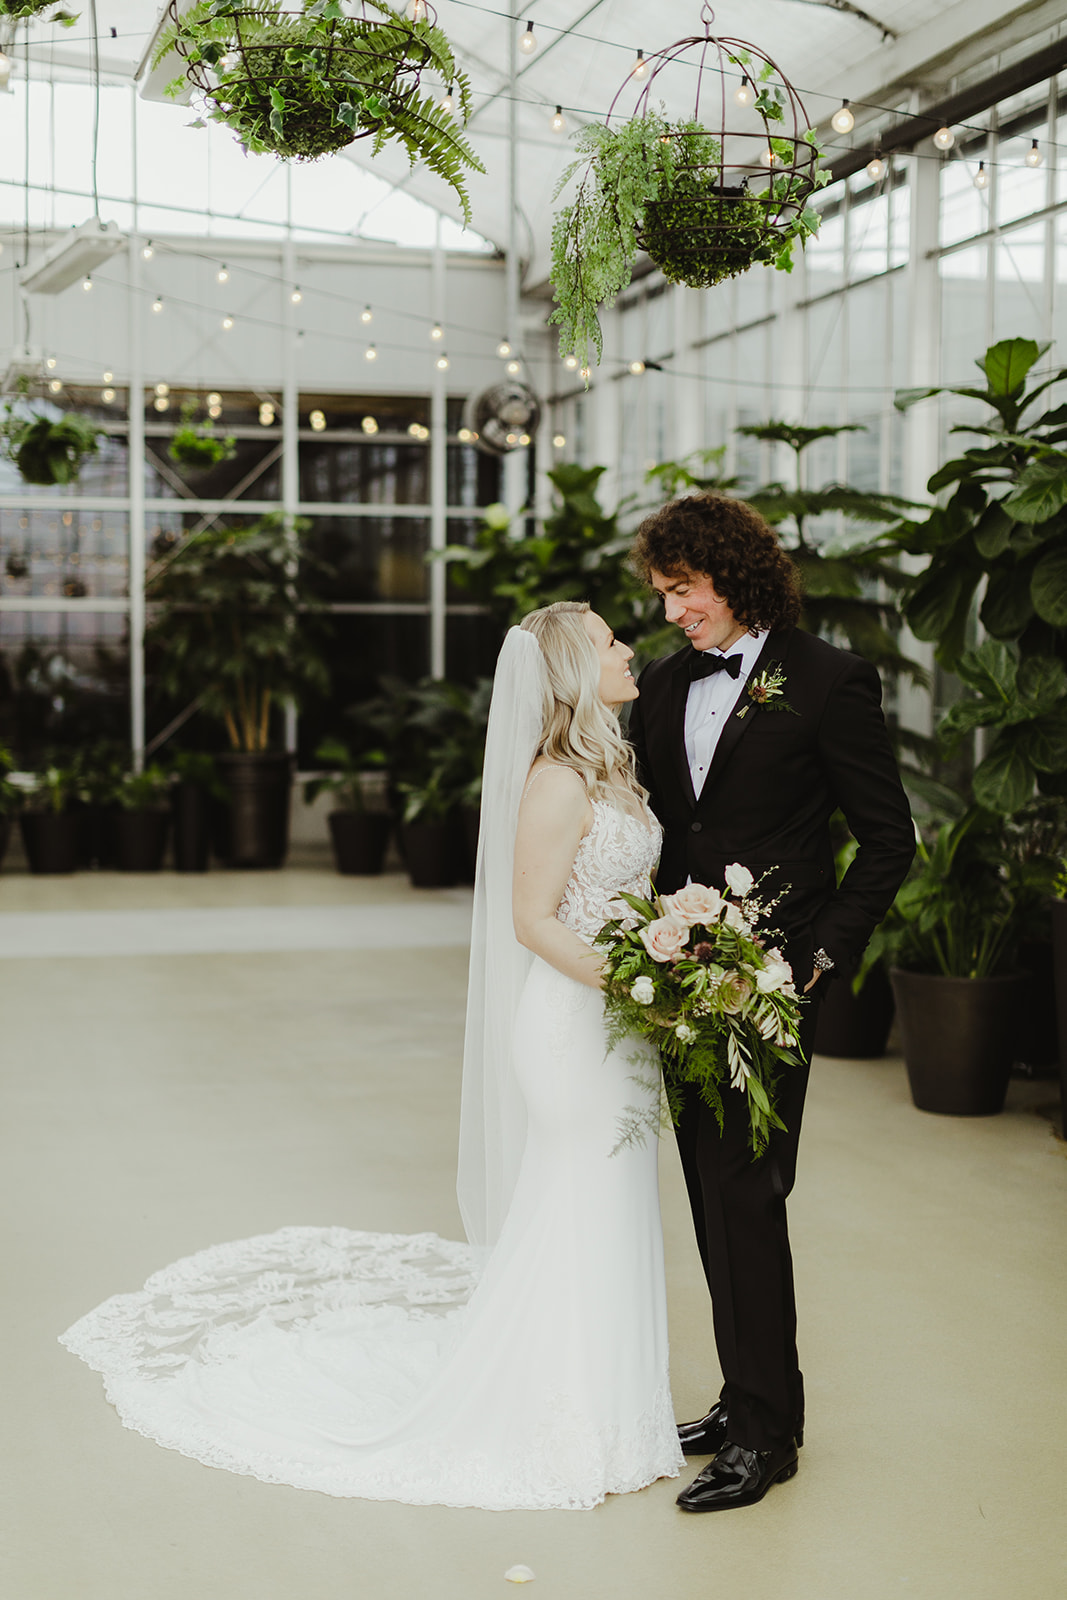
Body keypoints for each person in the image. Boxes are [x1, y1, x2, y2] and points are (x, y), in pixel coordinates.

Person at [60, 602, 683, 1512]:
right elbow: (531, 920)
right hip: (573, 1023)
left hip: (620, 1025)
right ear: (572, 673)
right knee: (577, 1203)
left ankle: (618, 1409)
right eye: (609, 642)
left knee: (614, 1203)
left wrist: (667, 956)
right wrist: (633, 983)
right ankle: (555, 1419)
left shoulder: (615, 769)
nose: (629, 649)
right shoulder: (555, 783)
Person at [627, 492, 915, 1514]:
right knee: (710, 1193)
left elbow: (886, 842)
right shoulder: (663, 684)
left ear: (732, 577)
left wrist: (818, 960)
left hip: (773, 988)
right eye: (659, 594)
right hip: (676, 987)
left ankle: (767, 1434)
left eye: (681, 591)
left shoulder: (829, 679)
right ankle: (740, 1391)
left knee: (747, 1192)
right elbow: (657, 828)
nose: (668, 613)